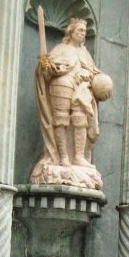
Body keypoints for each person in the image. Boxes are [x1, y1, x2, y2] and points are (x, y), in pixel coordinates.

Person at [32, 18, 113, 172]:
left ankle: (78, 157)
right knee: (61, 119)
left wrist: (92, 77)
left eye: (85, 31)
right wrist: (46, 67)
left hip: (80, 88)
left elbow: (94, 72)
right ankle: (62, 157)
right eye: (80, 30)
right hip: (61, 84)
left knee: (81, 118)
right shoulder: (60, 49)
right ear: (71, 32)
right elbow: (46, 73)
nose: (83, 34)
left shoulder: (84, 52)